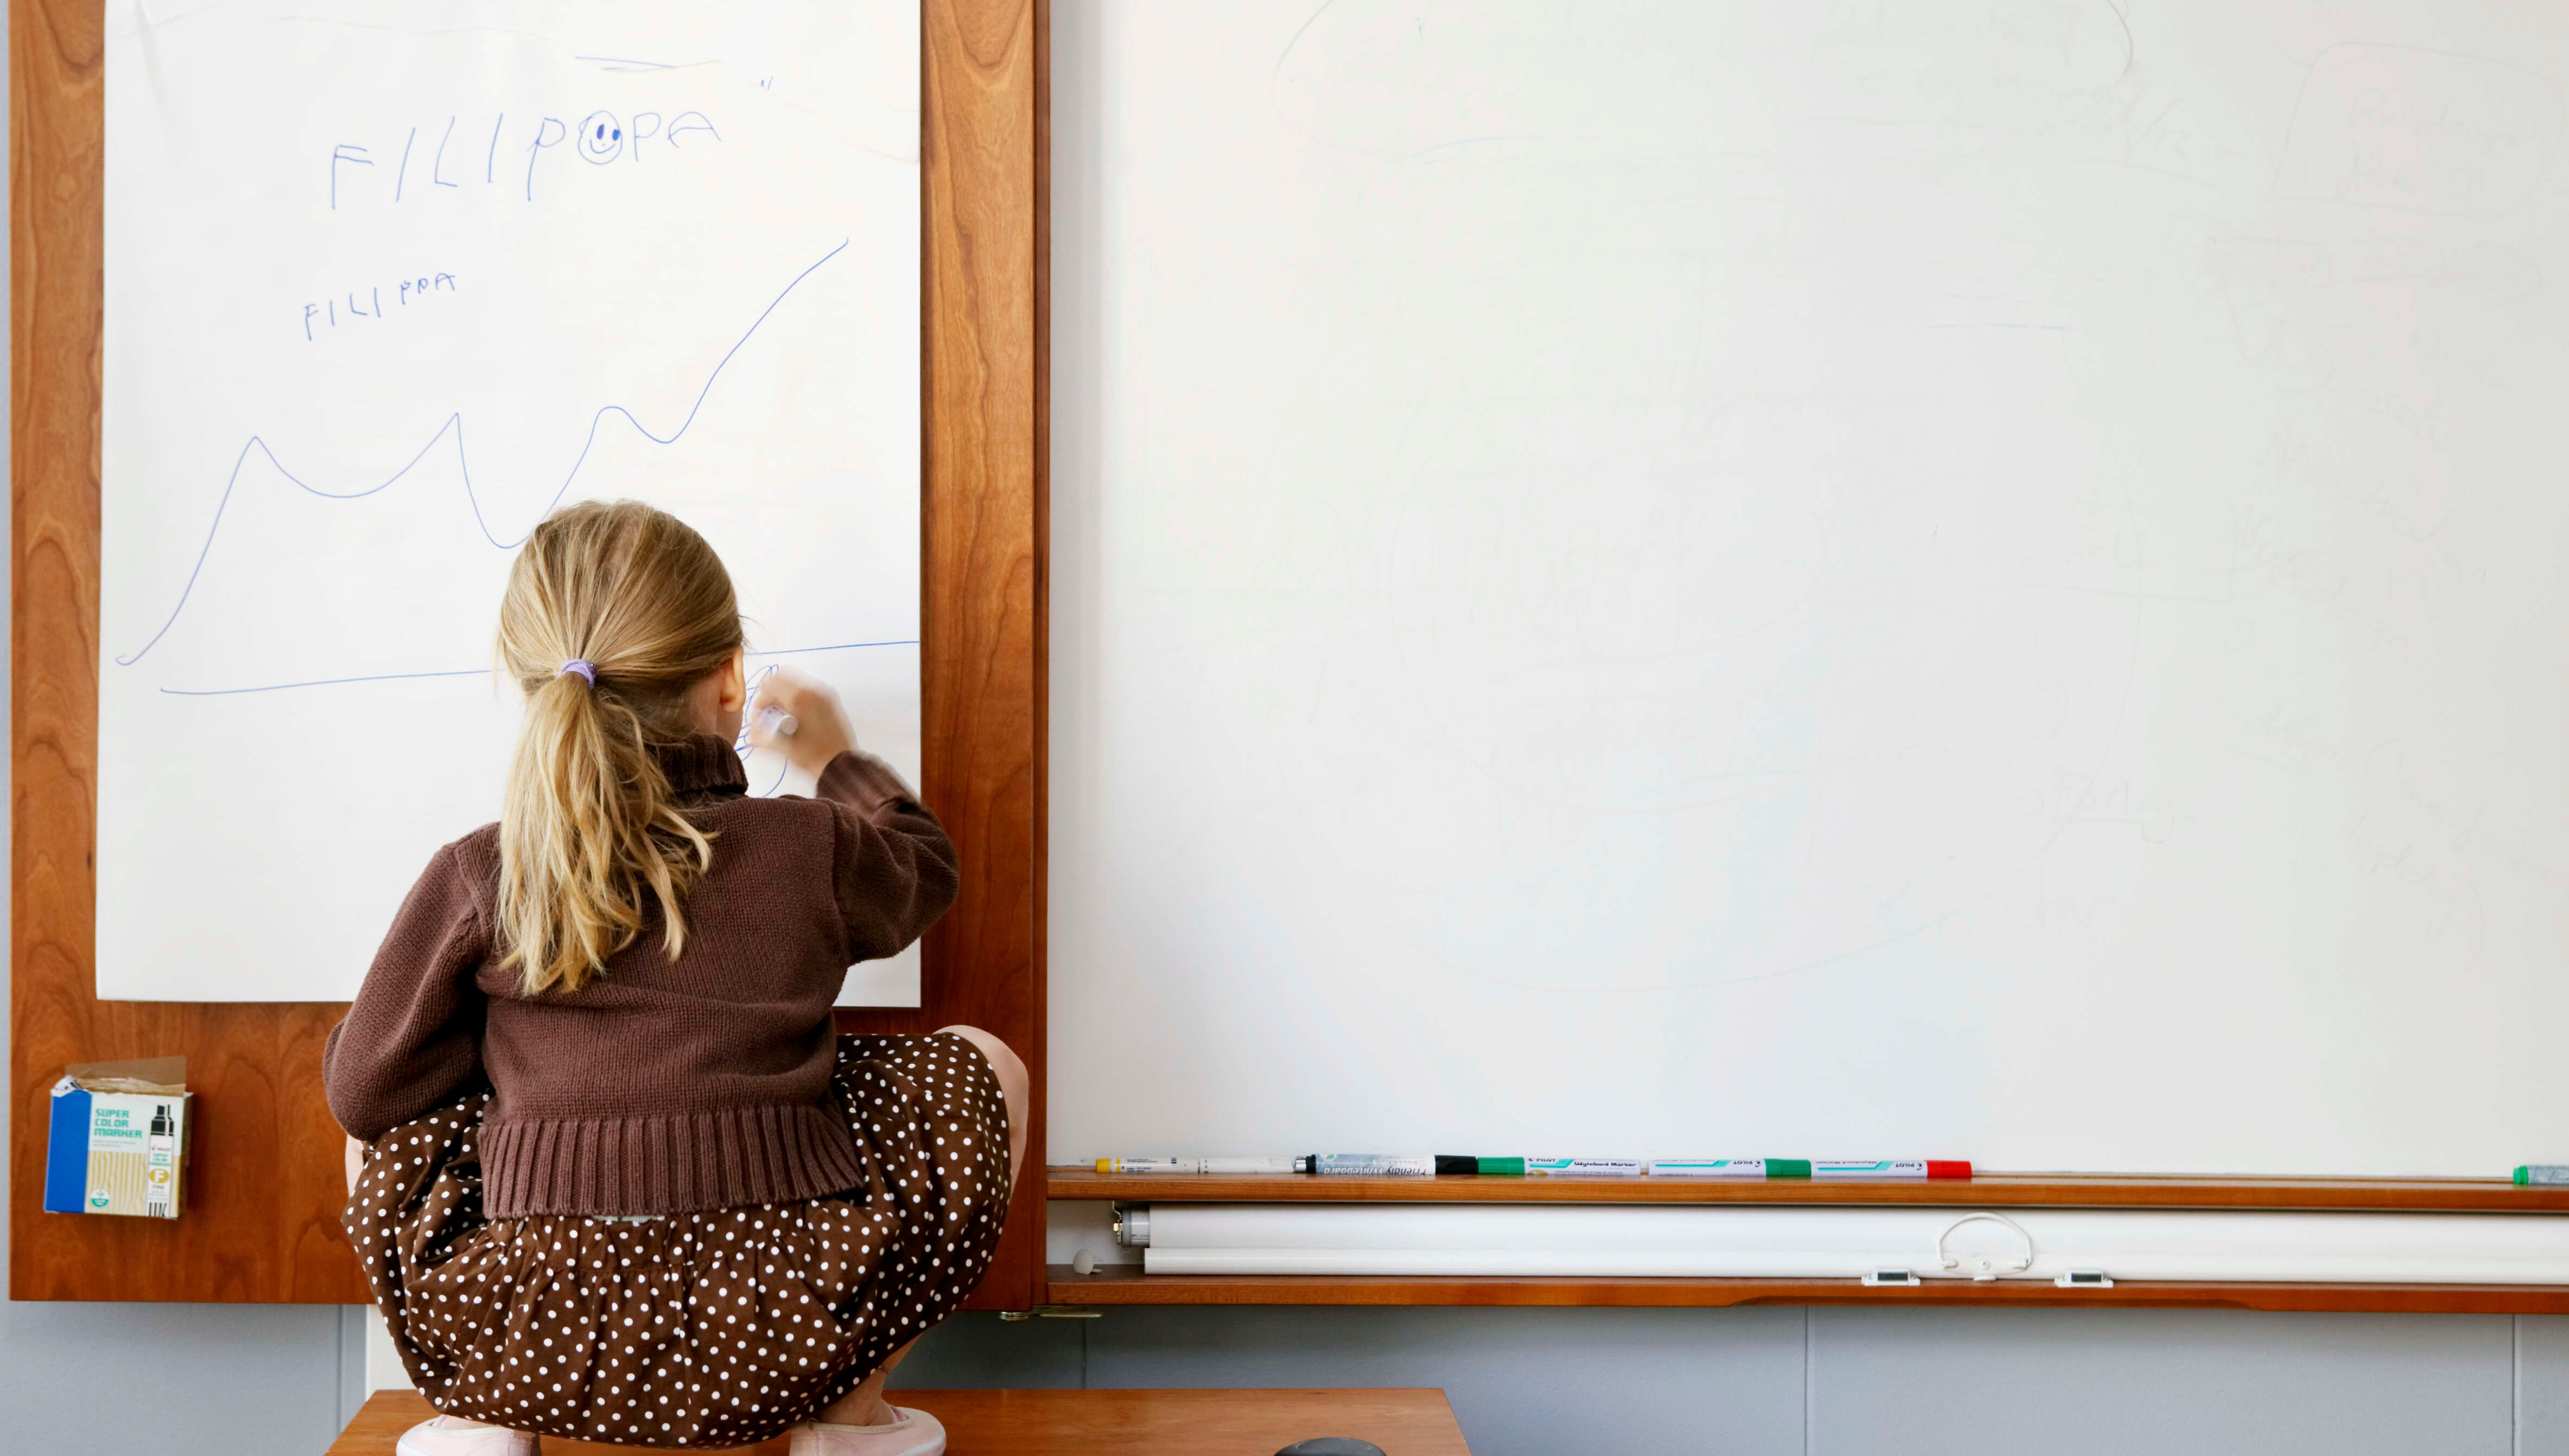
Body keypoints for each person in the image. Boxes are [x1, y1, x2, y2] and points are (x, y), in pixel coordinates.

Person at [325, 500, 1024, 1456]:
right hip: (786, 1325)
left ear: (535, 687)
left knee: (384, 1122)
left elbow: (364, 1090)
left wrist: (508, 1070)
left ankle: (484, 1424)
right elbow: (925, 867)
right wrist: (832, 759)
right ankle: (850, 1422)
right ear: (730, 676)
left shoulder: (484, 869)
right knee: (983, 1062)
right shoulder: (810, 845)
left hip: (533, 1336)